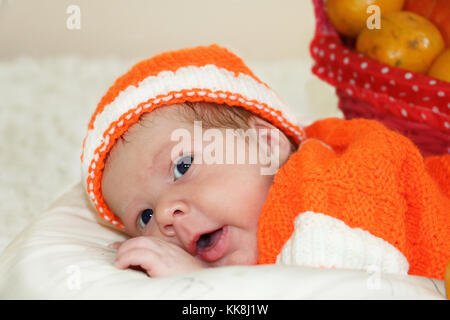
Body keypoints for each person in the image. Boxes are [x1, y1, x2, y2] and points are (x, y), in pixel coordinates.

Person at [81, 44, 450, 282]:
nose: (164, 214)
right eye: (144, 216)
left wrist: (199, 288)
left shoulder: (331, 183)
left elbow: (332, 289)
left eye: (183, 166)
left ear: (267, 145)